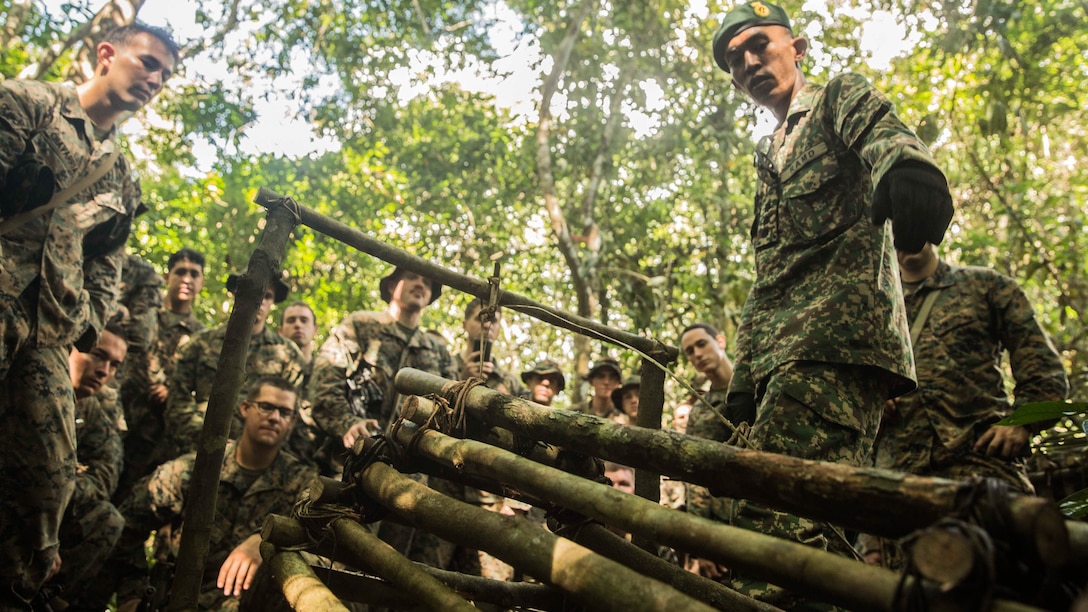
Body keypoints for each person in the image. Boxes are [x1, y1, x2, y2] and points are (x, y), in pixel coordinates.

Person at [709, 1, 954, 601]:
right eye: (735, 60)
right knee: (808, 520)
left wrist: (910, 169)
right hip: (784, 358)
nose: (748, 61)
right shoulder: (769, 155)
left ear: (797, 47)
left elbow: (882, 133)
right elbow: (773, 275)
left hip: (840, 345)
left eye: (759, 44)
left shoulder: (835, 99)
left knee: (775, 518)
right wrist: (745, 378)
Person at [0, 22, 179, 606]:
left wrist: (87, 325)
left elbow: (108, 263)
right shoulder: (27, 104)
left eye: (166, 74)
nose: (156, 79)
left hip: (45, 331)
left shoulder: (121, 177)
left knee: (50, 475)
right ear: (106, 54)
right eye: (148, 63)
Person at [867, 245, 1068, 565]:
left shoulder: (986, 285)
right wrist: (875, 400)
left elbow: (1044, 369)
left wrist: (1022, 424)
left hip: (983, 467)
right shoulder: (876, 307)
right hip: (900, 483)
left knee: (1009, 578)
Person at [109, 375, 316, 610]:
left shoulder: (301, 483)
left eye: (284, 412)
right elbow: (125, 528)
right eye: (266, 407)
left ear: (291, 422)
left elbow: (321, 530)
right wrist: (133, 595)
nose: (274, 417)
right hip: (178, 599)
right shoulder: (194, 471)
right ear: (245, 408)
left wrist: (266, 539)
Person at [310, 266, 466, 571]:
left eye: (427, 282)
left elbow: (451, 415)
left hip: (408, 483)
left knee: (388, 569)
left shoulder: (438, 351)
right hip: (350, 467)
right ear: (393, 284)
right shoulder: (359, 327)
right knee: (337, 562)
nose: (421, 284)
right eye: (412, 277)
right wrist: (347, 424)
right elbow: (324, 385)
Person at [41, 317, 129, 609]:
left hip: (56, 519)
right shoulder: (32, 390)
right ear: (72, 348)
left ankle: (45, 598)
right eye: (98, 355)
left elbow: (103, 478)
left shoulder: (97, 420)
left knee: (108, 518)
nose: (104, 370)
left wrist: (57, 493)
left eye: (114, 364)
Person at [166, 274, 306, 454]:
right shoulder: (200, 344)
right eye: (253, 292)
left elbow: (291, 414)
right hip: (199, 452)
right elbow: (178, 402)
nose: (260, 300)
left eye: (267, 295)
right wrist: (208, 440)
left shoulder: (288, 354)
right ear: (236, 293)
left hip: (259, 458)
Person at [117, 248, 207, 497]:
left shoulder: (202, 336)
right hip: (118, 414)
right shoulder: (142, 313)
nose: (186, 279)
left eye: (194, 274)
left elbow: (200, 392)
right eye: (180, 272)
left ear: (202, 282)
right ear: (167, 277)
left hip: (157, 436)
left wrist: (172, 392)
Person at [455, 297, 525, 397]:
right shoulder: (447, 366)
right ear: (465, 325)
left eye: (493, 320)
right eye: (481, 318)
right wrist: (461, 382)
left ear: (498, 330)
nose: (487, 325)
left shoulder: (510, 382)